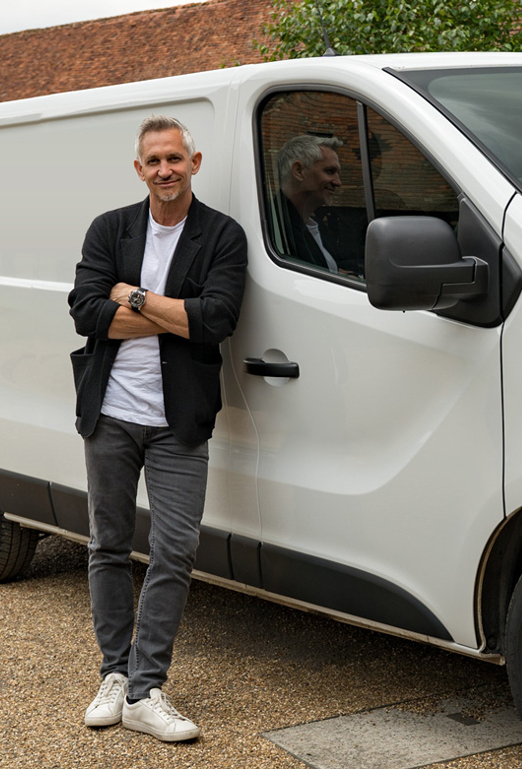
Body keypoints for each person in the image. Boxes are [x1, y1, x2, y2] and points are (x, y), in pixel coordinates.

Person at [67, 115, 247, 742]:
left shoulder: (222, 235)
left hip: (179, 422)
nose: (165, 170)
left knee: (176, 548)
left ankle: (146, 690)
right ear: (139, 169)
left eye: (175, 159)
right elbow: (86, 312)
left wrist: (136, 299)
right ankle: (114, 673)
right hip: (111, 413)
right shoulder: (110, 229)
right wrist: (176, 315)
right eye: (154, 161)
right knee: (107, 545)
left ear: (193, 164)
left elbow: (217, 319)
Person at [276, 134, 344, 272]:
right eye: (330, 171)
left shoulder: (314, 224)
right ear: (299, 171)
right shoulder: (277, 228)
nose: (338, 182)